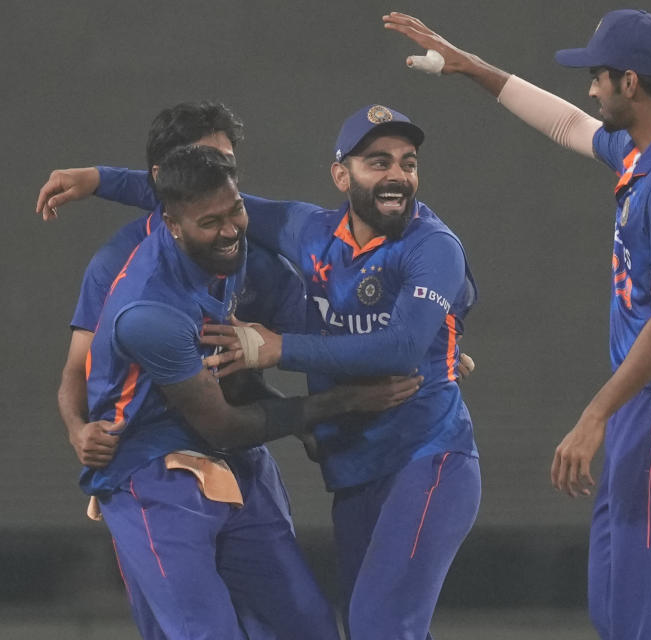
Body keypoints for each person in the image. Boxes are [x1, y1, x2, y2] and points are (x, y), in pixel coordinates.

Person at [40, 106, 481, 640]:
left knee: (356, 627)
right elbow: (97, 378)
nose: (395, 174)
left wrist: (415, 341)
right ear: (342, 173)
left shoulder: (247, 243)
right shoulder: (141, 289)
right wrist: (76, 428)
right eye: (377, 160)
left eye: (407, 162)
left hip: (398, 451)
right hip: (157, 466)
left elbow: (374, 341)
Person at [385, 10, 651, 639]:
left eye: (597, 76)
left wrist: (595, 415)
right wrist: (469, 66)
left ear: (630, 82)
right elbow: (566, 124)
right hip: (641, 407)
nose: (589, 90)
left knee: (648, 618)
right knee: (617, 608)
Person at [38, 101, 307, 472]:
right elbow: (77, 367)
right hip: (156, 455)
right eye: (198, 162)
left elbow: (308, 343)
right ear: (166, 176)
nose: (212, 174)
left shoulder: (245, 245)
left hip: (241, 435)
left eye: (224, 164)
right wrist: (77, 430)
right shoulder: (119, 266)